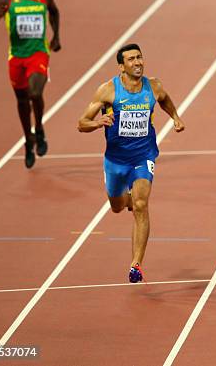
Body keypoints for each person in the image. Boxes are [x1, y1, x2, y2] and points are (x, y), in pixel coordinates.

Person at [77, 43, 185, 283]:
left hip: (143, 156)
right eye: (131, 59)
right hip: (115, 160)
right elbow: (81, 122)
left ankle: (136, 263)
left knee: (140, 204)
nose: (137, 62)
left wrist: (175, 117)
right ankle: (125, 199)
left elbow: (165, 99)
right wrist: (98, 123)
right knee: (117, 206)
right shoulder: (107, 91)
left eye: (139, 58)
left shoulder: (153, 86)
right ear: (121, 67)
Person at [0, 0, 61, 168]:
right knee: (22, 102)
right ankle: (28, 140)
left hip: (38, 53)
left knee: (35, 93)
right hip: (17, 57)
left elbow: (54, 12)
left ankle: (40, 128)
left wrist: (56, 36)